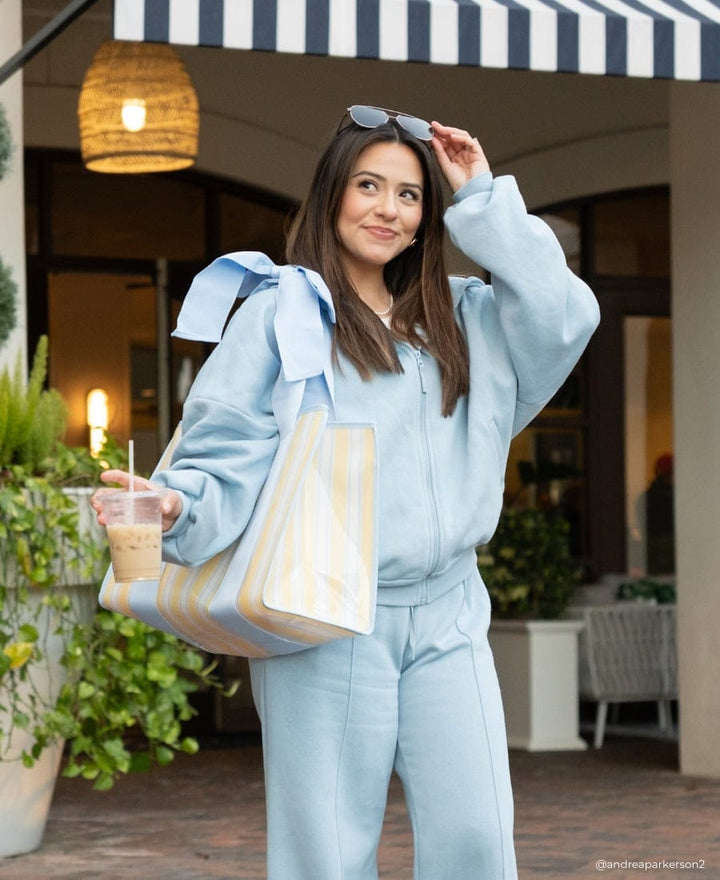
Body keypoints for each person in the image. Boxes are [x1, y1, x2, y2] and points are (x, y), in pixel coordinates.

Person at [92, 105, 600, 879]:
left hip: (449, 610)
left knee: (477, 839)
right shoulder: (282, 310)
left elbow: (569, 315)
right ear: (332, 193)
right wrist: (177, 505)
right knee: (325, 851)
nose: (387, 210)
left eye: (409, 195)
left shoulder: (467, 317)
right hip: (322, 611)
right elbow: (225, 441)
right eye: (369, 185)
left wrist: (483, 199)